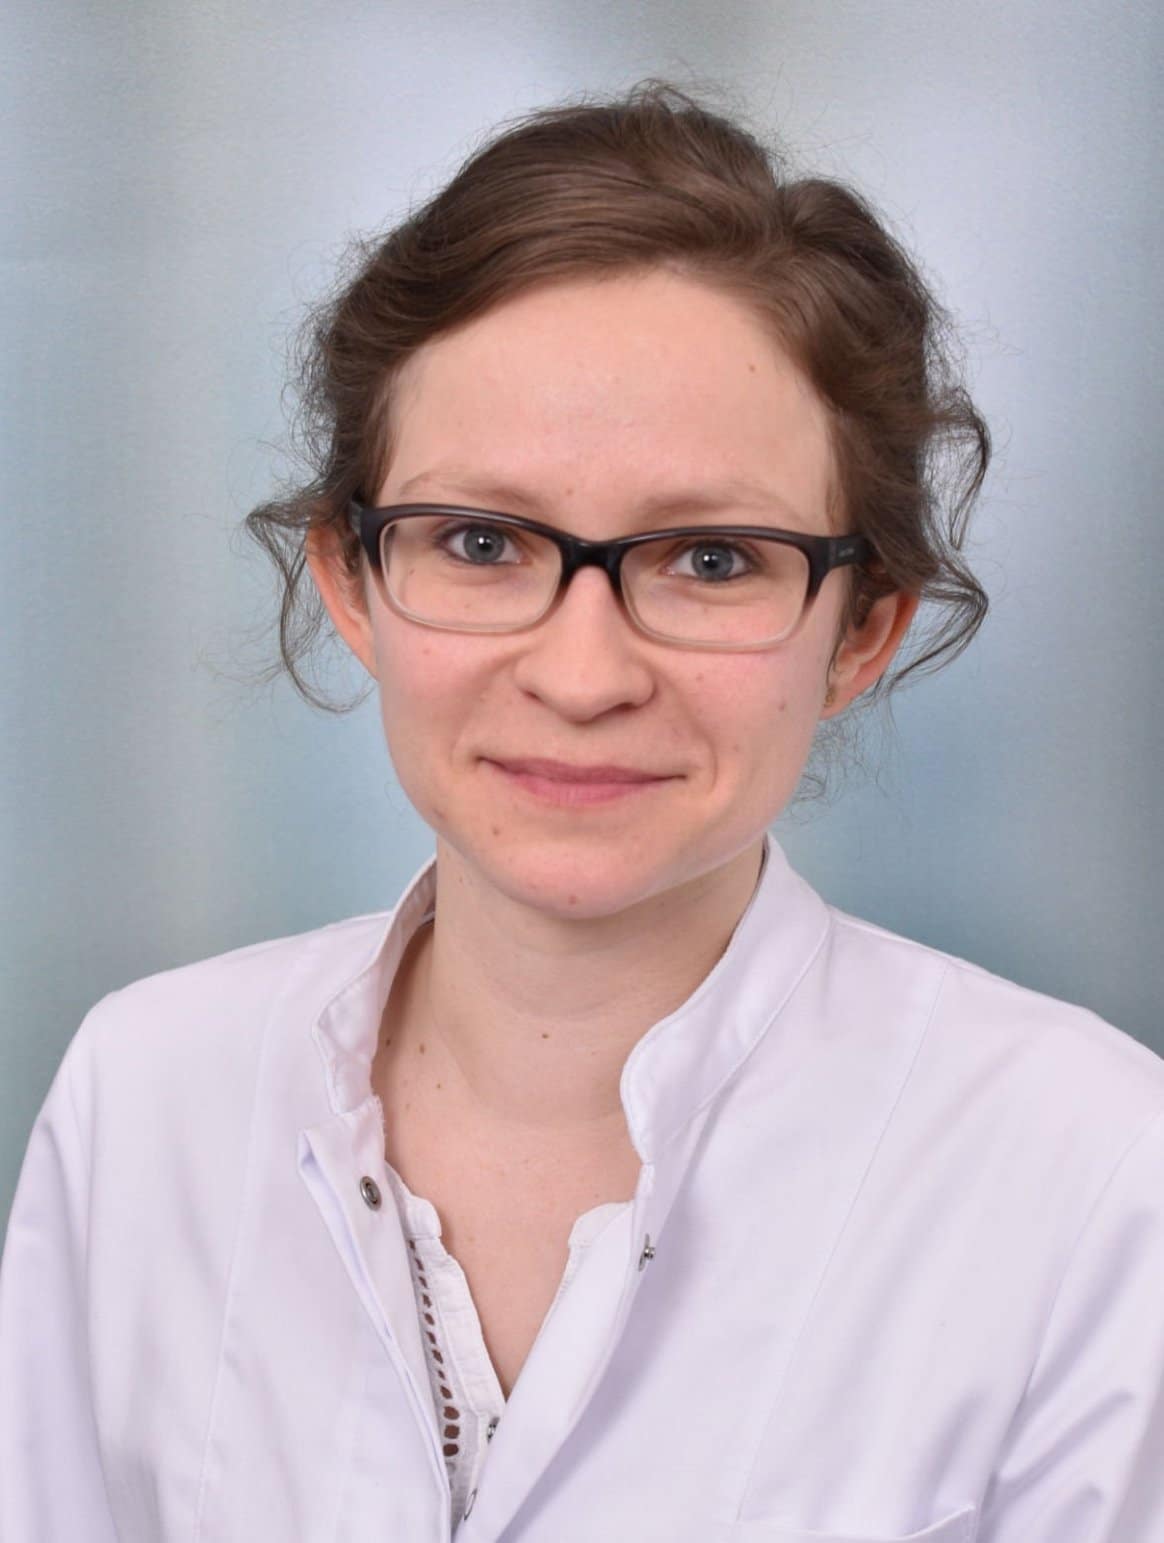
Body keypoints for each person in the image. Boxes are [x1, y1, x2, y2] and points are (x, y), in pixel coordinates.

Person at [2, 80, 1162, 1543]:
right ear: (352, 584)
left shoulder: (1096, 1175)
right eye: (482, 542)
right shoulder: (147, 1095)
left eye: (713, 559)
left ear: (861, 630)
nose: (584, 674)